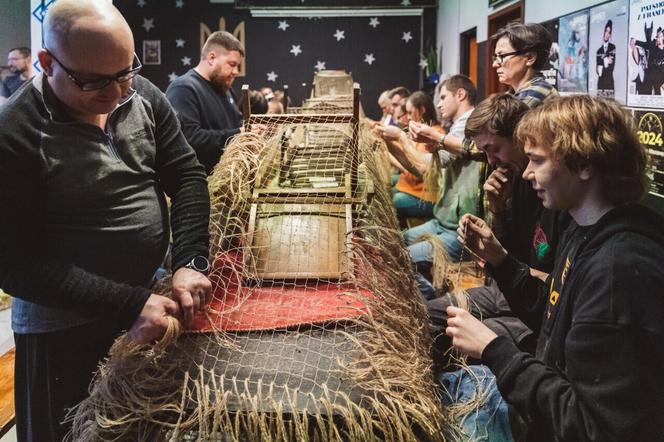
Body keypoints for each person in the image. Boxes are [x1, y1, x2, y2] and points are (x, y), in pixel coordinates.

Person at [0, 1, 212, 440]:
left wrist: (190, 259)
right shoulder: (15, 131)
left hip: (146, 303)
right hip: (63, 331)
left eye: (125, 73)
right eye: (94, 82)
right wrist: (128, 303)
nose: (117, 94)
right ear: (46, 63)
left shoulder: (143, 95)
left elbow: (187, 174)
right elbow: (14, 264)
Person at [448, 95, 663, 441]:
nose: (527, 173)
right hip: (539, 405)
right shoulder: (585, 230)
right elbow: (548, 310)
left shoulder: (617, 272)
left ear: (583, 164)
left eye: (537, 160)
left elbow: (589, 426)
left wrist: (494, 349)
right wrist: (500, 260)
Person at [426, 93, 569, 365]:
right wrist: (497, 210)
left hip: (535, 306)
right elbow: (510, 257)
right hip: (509, 291)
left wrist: (508, 263)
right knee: (427, 317)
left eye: (495, 149)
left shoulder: (558, 197)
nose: (491, 161)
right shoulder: (515, 182)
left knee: (449, 337)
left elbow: (552, 284)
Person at [401, 76, 481, 300]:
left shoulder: (469, 123)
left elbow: (426, 166)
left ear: (461, 94)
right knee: (398, 241)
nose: (439, 103)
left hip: (457, 230)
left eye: (443, 96)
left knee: (399, 257)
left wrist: (400, 138)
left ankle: (431, 305)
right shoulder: (456, 126)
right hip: (442, 220)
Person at [166, 31, 257, 174]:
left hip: (229, 178)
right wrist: (240, 134)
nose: (236, 71)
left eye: (237, 66)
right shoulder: (183, 89)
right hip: (202, 181)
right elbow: (190, 138)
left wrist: (254, 129)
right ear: (212, 58)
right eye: (232, 64)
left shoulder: (225, 89)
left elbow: (238, 123)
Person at [376, 91, 440, 222]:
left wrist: (399, 138)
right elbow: (410, 165)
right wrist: (387, 142)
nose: (408, 117)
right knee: (379, 195)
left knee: (382, 204)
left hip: (424, 196)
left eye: (410, 113)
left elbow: (418, 171)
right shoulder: (418, 134)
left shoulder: (435, 134)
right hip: (411, 189)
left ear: (422, 110)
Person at [492, 22, 557, 109]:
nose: (494, 64)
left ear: (529, 58)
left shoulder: (536, 93)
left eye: (502, 56)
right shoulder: (514, 93)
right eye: (496, 57)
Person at [596, 19, 616, 94]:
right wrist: (606, 60)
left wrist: (603, 63)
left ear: (610, 34)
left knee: (610, 104)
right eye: (606, 31)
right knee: (599, 105)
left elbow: (611, 67)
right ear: (604, 32)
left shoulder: (613, 47)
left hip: (609, 83)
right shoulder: (599, 51)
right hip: (600, 84)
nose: (607, 34)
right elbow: (598, 70)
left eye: (609, 32)